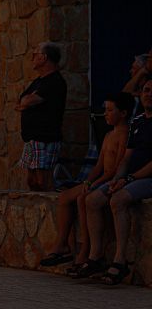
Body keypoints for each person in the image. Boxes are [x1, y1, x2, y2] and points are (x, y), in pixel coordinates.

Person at [40, 92, 132, 270]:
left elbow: (117, 167)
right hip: (101, 178)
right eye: (105, 110)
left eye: (110, 110)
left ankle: (86, 250)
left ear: (123, 113)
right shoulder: (107, 136)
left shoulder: (125, 135)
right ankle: (63, 244)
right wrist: (89, 181)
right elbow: (99, 166)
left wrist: (97, 183)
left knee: (84, 199)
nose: (105, 114)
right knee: (65, 197)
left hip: (111, 179)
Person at [80, 79, 152, 284]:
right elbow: (127, 158)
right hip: (129, 177)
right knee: (92, 200)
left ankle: (120, 260)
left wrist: (128, 179)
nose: (149, 94)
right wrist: (119, 178)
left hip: (146, 178)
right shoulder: (137, 122)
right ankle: (96, 256)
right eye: (146, 90)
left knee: (117, 200)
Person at [16, 42, 67, 191]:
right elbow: (22, 100)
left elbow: (28, 101)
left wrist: (27, 101)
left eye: (35, 55)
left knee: (43, 180)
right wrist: (27, 101)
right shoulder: (38, 82)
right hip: (32, 139)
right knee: (32, 181)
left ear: (44, 58)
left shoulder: (54, 81)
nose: (32, 58)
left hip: (45, 138)